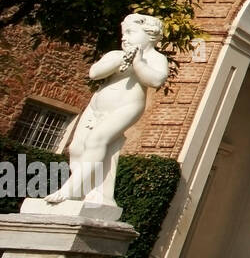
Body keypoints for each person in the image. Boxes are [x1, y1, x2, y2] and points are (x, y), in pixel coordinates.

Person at [46, 13, 169, 208]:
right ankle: (84, 190)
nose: (124, 37)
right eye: (123, 33)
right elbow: (94, 73)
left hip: (128, 106)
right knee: (77, 148)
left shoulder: (156, 58)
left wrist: (138, 62)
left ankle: (70, 189)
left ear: (150, 35)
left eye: (130, 32)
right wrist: (120, 59)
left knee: (97, 140)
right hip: (96, 107)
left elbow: (155, 80)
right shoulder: (115, 55)